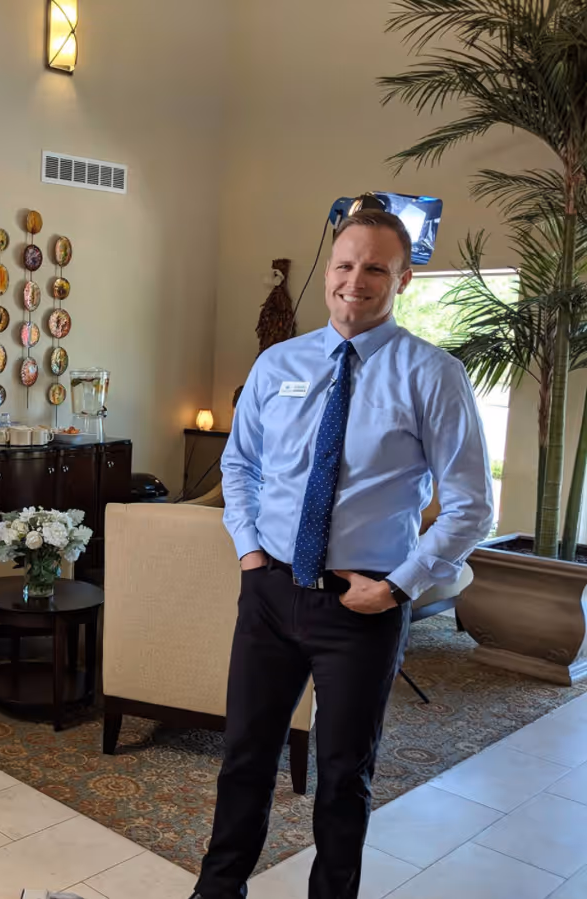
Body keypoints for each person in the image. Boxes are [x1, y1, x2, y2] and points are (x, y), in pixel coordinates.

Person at [191, 210, 493, 899]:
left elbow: (472, 505)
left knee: (343, 774)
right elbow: (240, 464)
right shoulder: (278, 363)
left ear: (403, 279)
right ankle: (216, 891)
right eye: (345, 265)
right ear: (329, 270)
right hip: (269, 594)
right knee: (244, 758)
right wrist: (249, 554)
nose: (356, 281)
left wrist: (399, 586)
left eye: (376, 268)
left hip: (364, 605)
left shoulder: (433, 375)